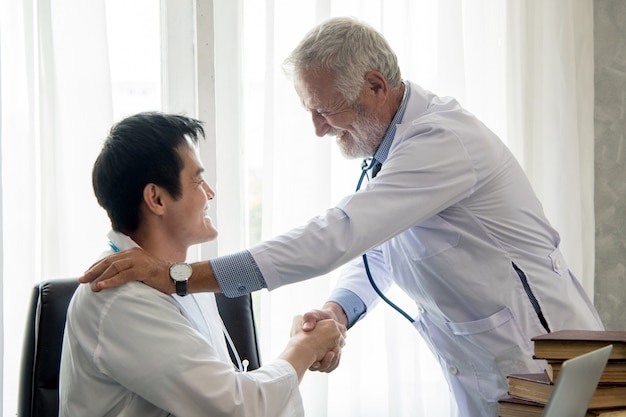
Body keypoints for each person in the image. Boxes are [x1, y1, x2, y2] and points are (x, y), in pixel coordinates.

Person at [79, 18, 604, 417]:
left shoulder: (443, 142)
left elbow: (339, 234)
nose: (318, 129)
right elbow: (379, 252)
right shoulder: (391, 155)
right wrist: (336, 314)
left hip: (549, 361)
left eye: (325, 110)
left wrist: (181, 278)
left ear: (375, 86)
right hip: (490, 367)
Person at [59, 111, 346, 417]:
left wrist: (303, 341)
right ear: (156, 199)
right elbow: (235, 407)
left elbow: (223, 389)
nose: (210, 193)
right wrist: (304, 349)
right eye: (197, 180)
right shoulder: (120, 298)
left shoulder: (184, 278)